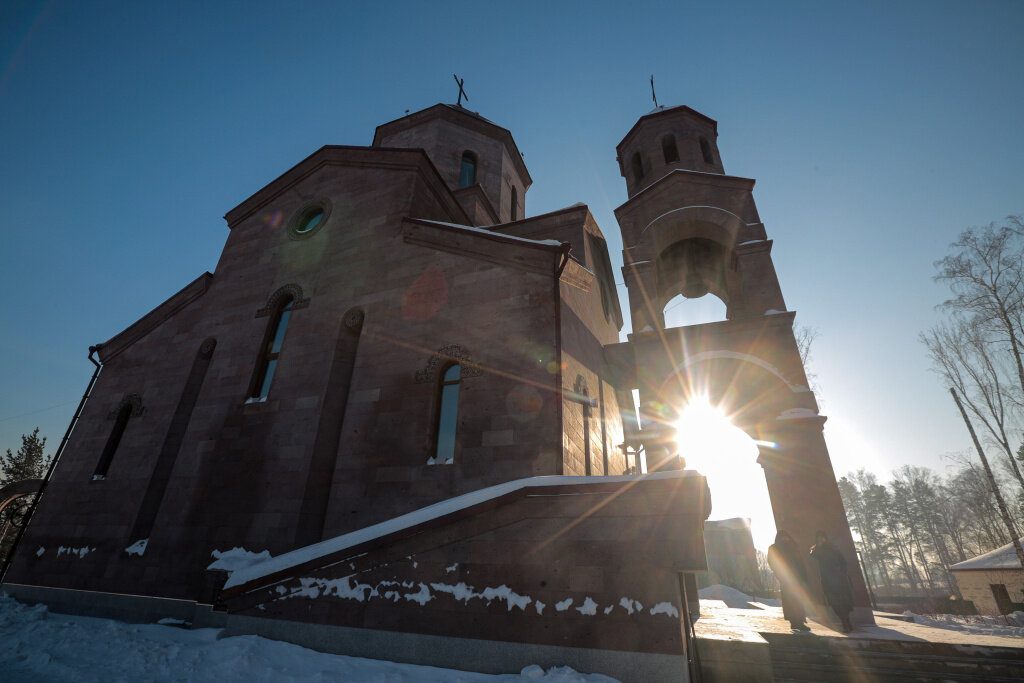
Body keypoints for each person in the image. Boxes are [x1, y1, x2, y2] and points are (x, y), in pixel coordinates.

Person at [810, 530, 854, 632]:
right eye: (818, 538)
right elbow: (813, 555)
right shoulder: (816, 548)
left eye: (822, 537)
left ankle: (846, 622)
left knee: (844, 601)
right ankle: (845, 621)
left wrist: (842, 572)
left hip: (839, 579)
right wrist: (817, 546)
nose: (820, 539)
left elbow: (842, 561)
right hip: (827, 579)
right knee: (833, 602)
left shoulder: (833, 548)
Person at [767, 530, 811, 631]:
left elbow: (800, 562)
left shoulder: (793, 547)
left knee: (798, 600)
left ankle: (799, 622)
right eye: (782, 537)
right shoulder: (774, 548)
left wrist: (804, 576)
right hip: (786, 579)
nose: (785, 539)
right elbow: (772, 562)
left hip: (797, 578)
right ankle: (794, 622)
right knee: (790, 601)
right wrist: (780, 574)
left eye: (786, 537)